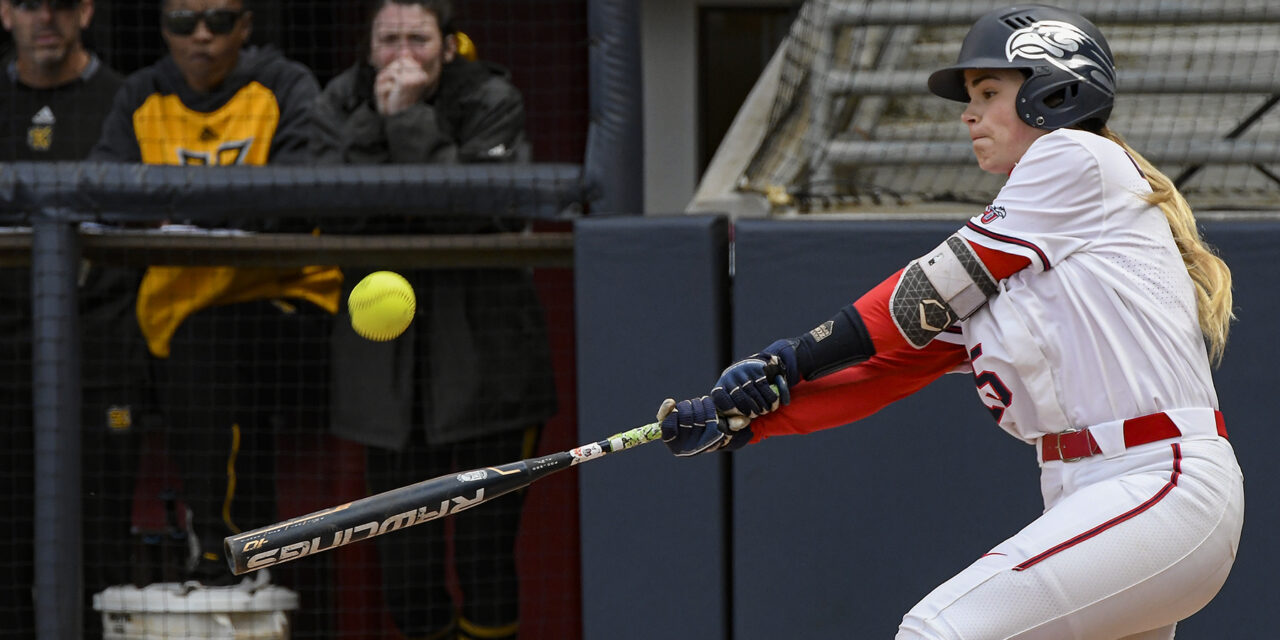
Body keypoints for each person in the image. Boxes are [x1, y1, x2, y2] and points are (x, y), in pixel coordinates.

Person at [659, 5, 1244, 639]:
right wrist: (749, 420)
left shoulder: (1075, 156)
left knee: (940, 630)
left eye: (989, 93)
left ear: (1059, 89)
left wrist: (787, 360)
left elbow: (919, 295)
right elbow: (887, 366)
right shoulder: (1029, 246)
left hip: (1155, 480)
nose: (969, 114)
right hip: (1097, 497)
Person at [310, 2, 556, 638]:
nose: (400, 55)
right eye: (387, 39)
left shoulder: (491, 96)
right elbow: (330, 208)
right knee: (406, 571)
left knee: (485, 558)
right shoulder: (339, 100)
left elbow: (482, 209)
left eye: (417, 39)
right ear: (367, 47)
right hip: (386, 391)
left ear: (448, 47)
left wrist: (411, 119)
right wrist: (380, 121)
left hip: (489, 374)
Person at [89, 0, 340, 590]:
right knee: (160, 349)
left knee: (215, 340)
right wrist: (228, 206)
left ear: (246, 27)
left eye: (220, 21)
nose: (201, 36)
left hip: (287, 304)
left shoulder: (283, 84)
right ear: (163, 29)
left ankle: (225, 551)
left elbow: (301, 191)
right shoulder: (142, 96)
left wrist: (174, 207)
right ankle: (232, 550)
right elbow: (104, 186)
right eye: (184, 23)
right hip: (171, 314)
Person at [0, 1, 137, 637]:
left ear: (85, 10)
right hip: (4, 358)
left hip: (99, 352)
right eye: (29, 4)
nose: (44, 19)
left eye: (59, 4)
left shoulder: (125, 100)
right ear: (6, 13)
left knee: (99, 540)